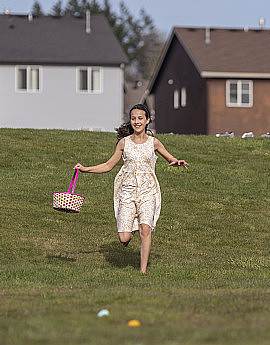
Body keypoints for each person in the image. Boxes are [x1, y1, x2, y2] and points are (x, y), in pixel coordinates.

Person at [74, 104, 188, 274]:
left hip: (148, 191)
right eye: (133, 118)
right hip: (127, 191)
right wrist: (85, 169)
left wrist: (176, 161)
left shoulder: (154, 143)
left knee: (146, 229)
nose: (137, 121)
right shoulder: (123, 143)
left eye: (140, 118)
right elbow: (108, 165)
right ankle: (133, 226)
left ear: (147, 120)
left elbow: (170, 157)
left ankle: (143, 271)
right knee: (124, 237)